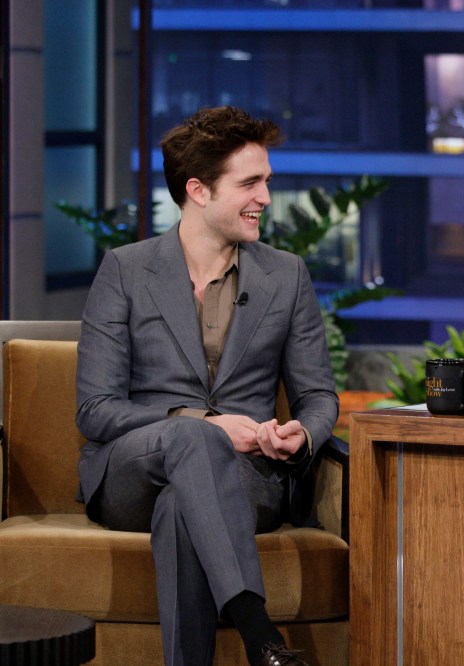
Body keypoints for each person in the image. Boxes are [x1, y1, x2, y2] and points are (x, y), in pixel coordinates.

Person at [75, 106, 339, 666]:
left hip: (245, 477)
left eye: (267, 181)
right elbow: (95, 409)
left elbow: (317, 395)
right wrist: (203, 424)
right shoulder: (125, 269)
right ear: (198, 190)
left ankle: (252, 647)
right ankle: (259, 632)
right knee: (193, 437)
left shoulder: (286, 275)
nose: (265, 198)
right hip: (134, 472)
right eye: (250, 183)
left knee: (182, 508)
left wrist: (303, 434)